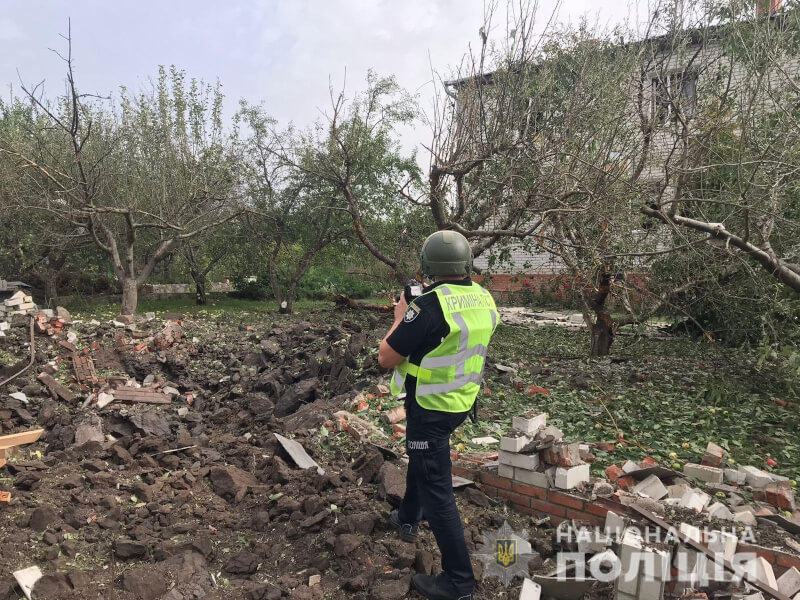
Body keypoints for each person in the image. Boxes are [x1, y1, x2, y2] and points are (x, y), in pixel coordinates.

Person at [378, 230, 500, 600]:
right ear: (466, 264)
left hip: (430, 408)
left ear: (429, 266)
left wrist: (401, 315)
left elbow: (386, 357)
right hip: (460, 403)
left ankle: (459, 582)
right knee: (423, 459)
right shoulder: (484, 297)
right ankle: (407, 519)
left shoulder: (427, 307)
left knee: (438, 489)